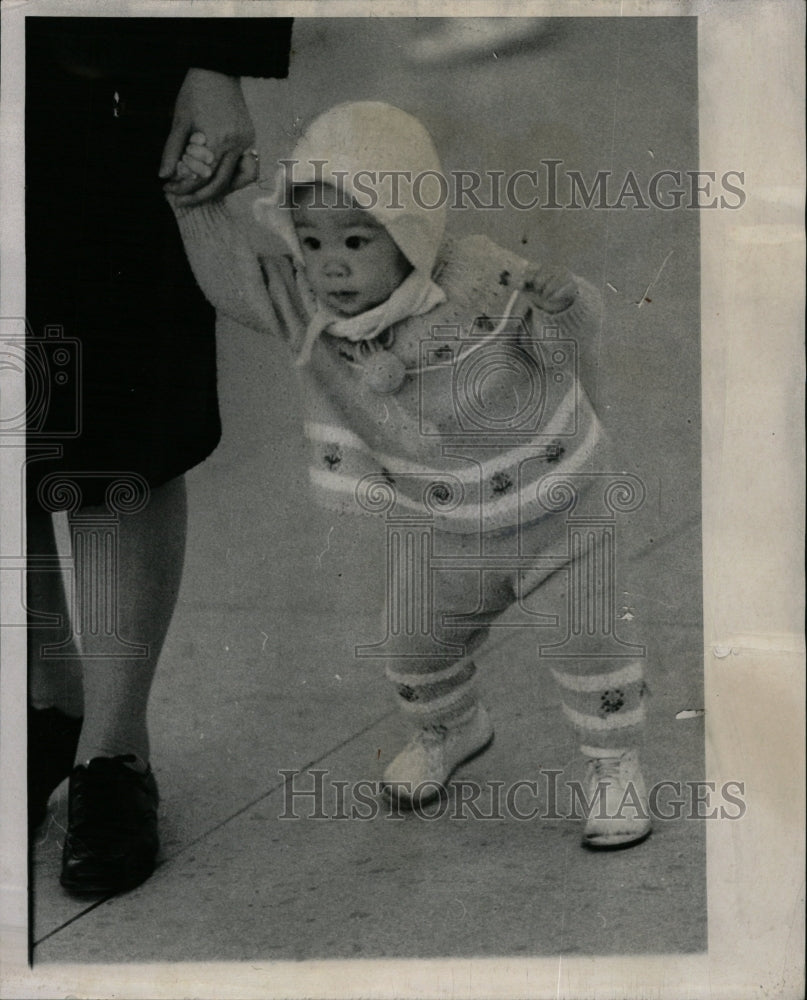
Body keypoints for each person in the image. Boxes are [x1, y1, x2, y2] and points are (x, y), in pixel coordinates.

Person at [171, 101, 651, 848]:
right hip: (447, 529)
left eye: (358, 239)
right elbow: (236, 285)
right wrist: (192, 206)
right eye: (311, 241)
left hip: (561, 512)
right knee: (414, 643)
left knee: (585, 643)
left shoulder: (480, 279)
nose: (331, 262)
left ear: (411, 235)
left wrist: (561, 307)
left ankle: (613, 765)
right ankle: (453, 728)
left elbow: (560, 349)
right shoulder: (315, 312)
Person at [26, 16, 293, 895]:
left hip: (100, 56)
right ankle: (44, 705)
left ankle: (111, 750)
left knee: (113, 407)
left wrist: (217, 57)